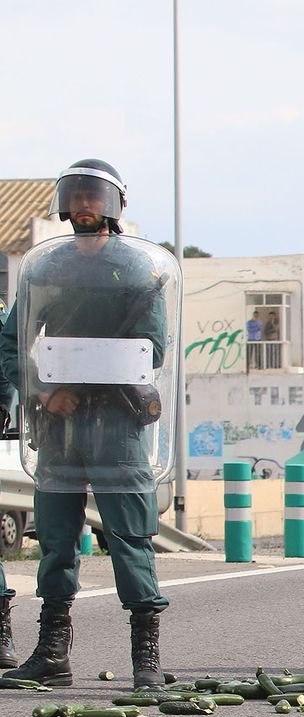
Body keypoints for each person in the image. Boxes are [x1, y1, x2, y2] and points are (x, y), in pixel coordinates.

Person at [0, 159, 174, 688]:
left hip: (118, 423)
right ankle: (52, 651)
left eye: (94, 197)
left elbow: (154, 350)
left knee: (130, 536)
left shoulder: (138, 271)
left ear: (115, 204)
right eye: (75, 196)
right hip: (57, 427)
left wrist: (83, 382)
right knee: (55, 537)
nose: (83, 207)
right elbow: (13, 342)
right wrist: (41, 390)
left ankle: (146, 659)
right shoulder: (45, 270)